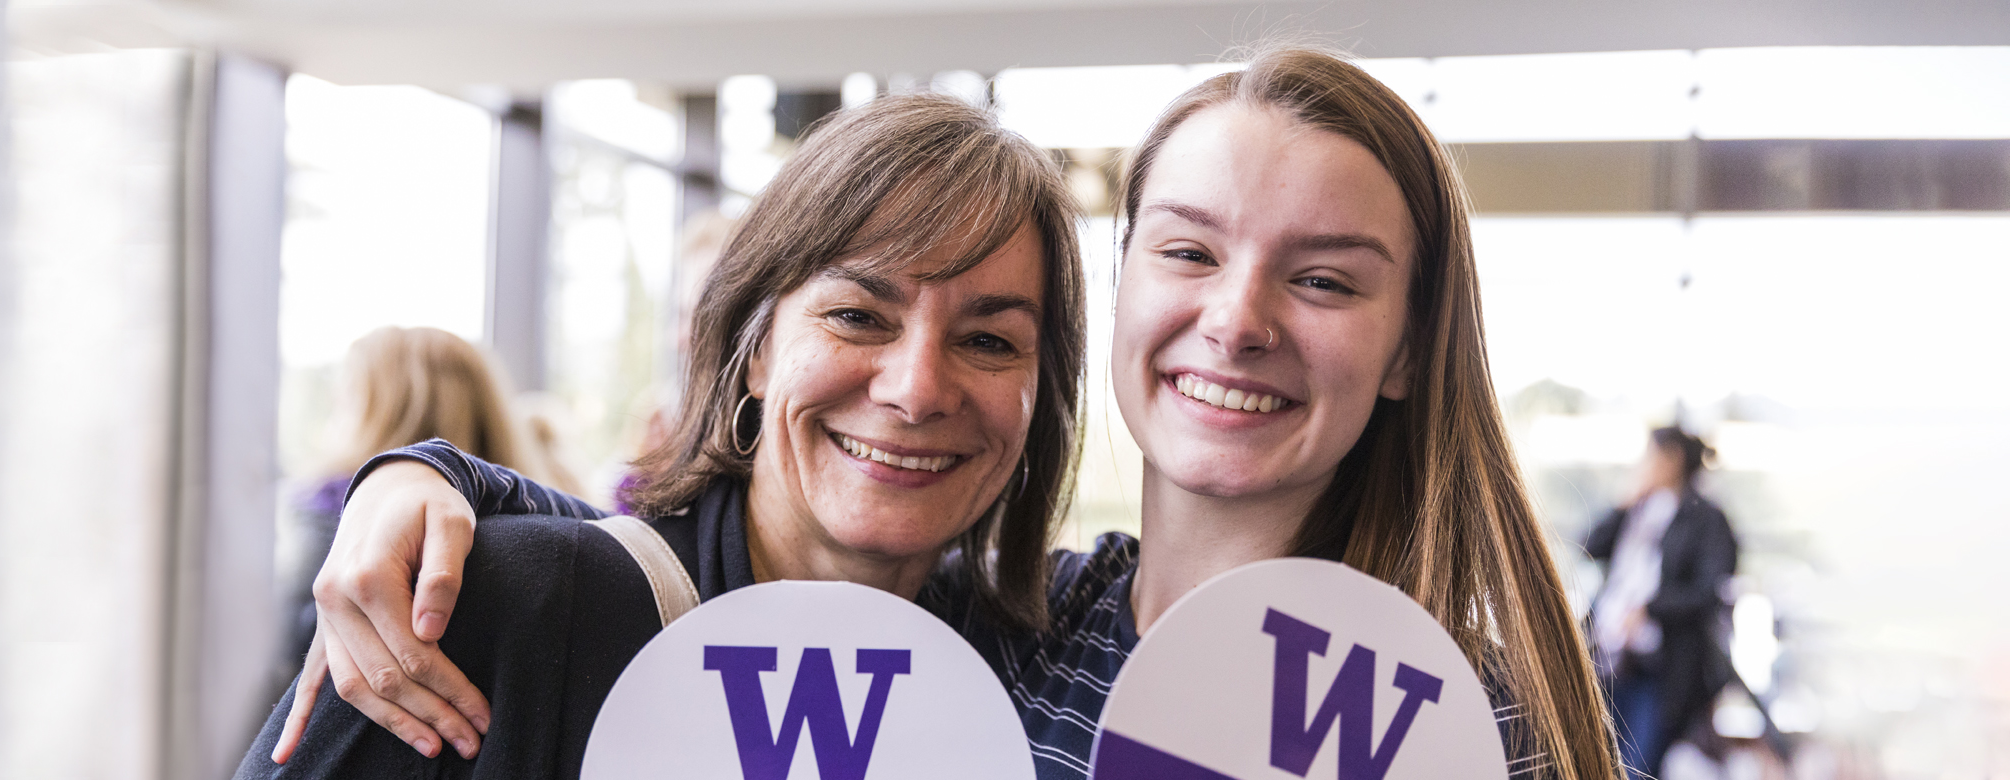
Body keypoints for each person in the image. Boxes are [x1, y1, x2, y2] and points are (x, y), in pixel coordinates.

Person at [284, 45, 1622, 780]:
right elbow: (690, 577)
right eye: (1192, 251)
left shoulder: (1456, 728)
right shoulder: (1001, 630)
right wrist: (432, 479)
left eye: (1324, 278)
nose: (1239, 319)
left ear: (1410, 346)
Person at [235, 92, 1088, 777]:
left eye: (988, 340)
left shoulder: (1022, 677)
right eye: (859, 315)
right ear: (754, 349)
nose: (916, 390)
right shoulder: (511, 606)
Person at [280, 327, 564, 668]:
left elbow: (299, 642)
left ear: (378, 413)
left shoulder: (333, 509)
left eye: (347, 398)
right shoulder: (543, 521)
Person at [1585, 426, 1739, 778]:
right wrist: (1622, 503)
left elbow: (1709, 592)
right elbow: (1589, 546)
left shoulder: (1705, 519)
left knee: (1638, 766)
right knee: (1599, 758)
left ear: (1672, 460)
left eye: (1650, 456)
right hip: (1609, 659)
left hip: (1662, 668)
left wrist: (1650, 609)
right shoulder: (1637, 508)